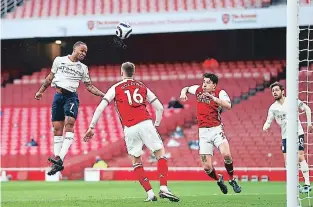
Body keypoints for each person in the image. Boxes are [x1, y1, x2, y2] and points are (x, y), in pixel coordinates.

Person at [83, 62, 179, 202]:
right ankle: (163, 188)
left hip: (129, 128)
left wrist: (91, 126)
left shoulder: (116, 87)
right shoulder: (142, 86)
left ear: (122, 73)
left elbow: (101, 107)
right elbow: (159, 107)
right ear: (133, 73)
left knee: (136, 160)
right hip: (146, 123)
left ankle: (150, 194)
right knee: (160, 154)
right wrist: (156, 124)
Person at [34, 41, 105, 176]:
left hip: (71, 97)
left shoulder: (83, 68)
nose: (83, 53)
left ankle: (60, 157)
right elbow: (50, 77)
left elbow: (89, 86)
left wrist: (103, 94)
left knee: (69, 124)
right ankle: (57, 161)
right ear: (74, 49)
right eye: (82, 50)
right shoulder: (59, 60)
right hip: (58, 96)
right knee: (57, 128)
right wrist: (40, 91)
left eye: (85, 52)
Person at [179, 73, 241, 194]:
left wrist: (214, 99)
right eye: (204, 81)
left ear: (214, 85)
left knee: (226, 154)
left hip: (216, 129)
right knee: (207, 167)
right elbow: (186, 88)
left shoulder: (220, 92)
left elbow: (229, 105)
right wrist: (183, 93)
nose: (204, 84)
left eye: (207, 82)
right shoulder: (198, 90)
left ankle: (232, 179)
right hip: (203, 133)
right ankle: (219, 180)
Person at [263, 82, 312, 193]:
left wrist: (309, 123)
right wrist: (265, 127)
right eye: (273, 91)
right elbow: (268, 121)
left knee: (300, 156)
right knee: (288, 162)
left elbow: (307, 108)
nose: (274, 92)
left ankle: (307, 184)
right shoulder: (273, 108)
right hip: (285, 136)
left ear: (282, 91)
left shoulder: (292, 101)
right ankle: (295, 185)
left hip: (297, 132)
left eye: (276, 90)